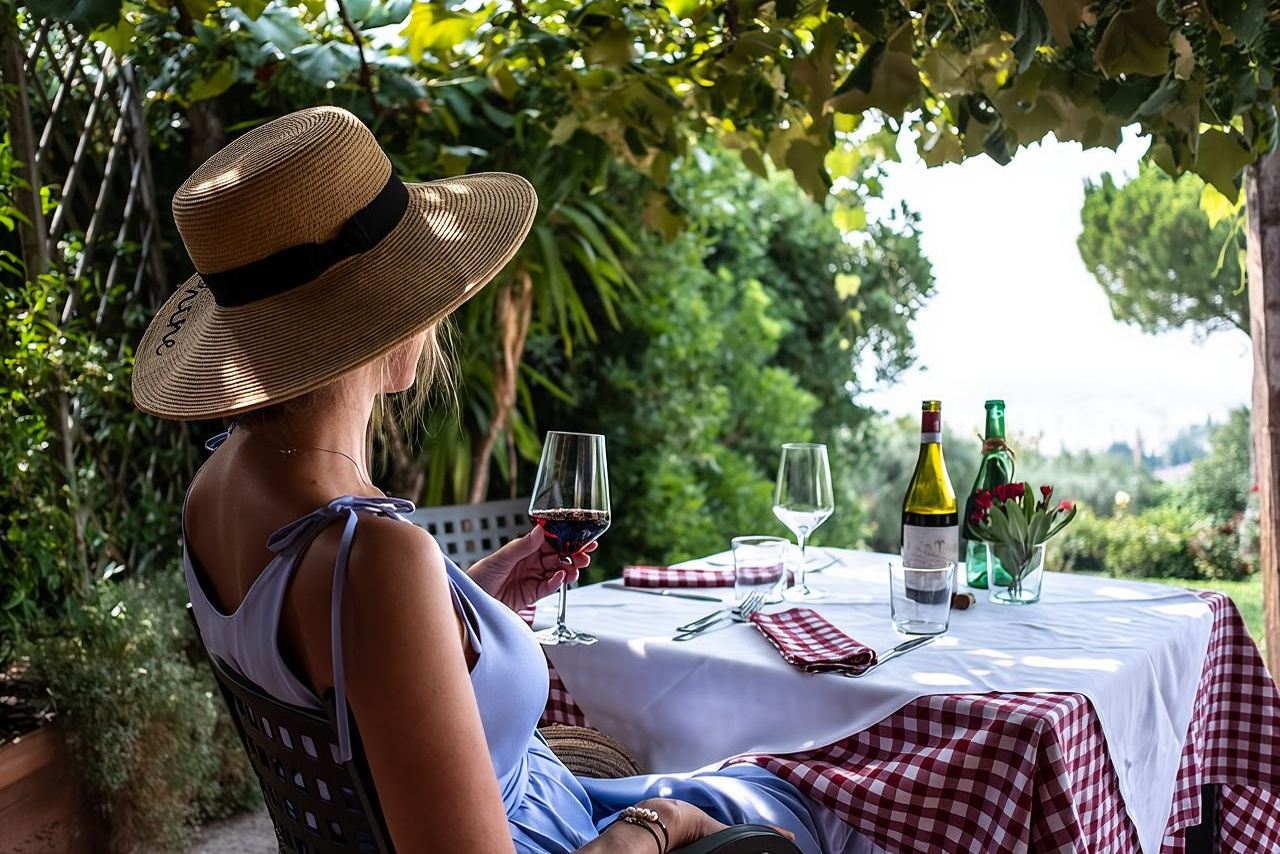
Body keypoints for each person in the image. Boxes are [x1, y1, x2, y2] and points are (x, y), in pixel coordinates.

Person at [132, 106, 873, 854]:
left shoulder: (218, 486)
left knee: (781, 784)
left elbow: (339, 664)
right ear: (387, 314)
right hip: (566, 836)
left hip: (546, 799)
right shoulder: (371, 561)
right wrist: (658, 827)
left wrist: (472, 606)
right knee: (824, 802)